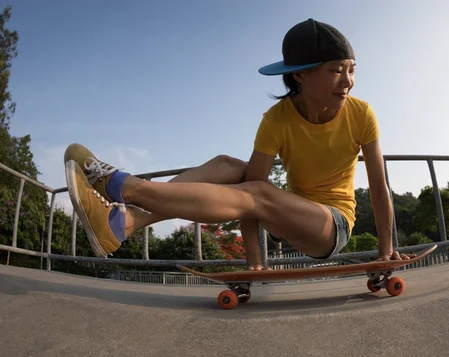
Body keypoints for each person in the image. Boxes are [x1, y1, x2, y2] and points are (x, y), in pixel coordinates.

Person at [64, 18, 411, 270]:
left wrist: (386, 250)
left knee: (258, 194)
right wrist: (255, 263)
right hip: (283, 212)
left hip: (331, 226)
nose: (348, 82)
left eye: (351, 69)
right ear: (300, 75)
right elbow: (250, 190)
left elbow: (379, 189)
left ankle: (123, 187)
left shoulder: (361, 114)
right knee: (230, 166)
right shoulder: (276, 119)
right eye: (336, 70)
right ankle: (124, 223)